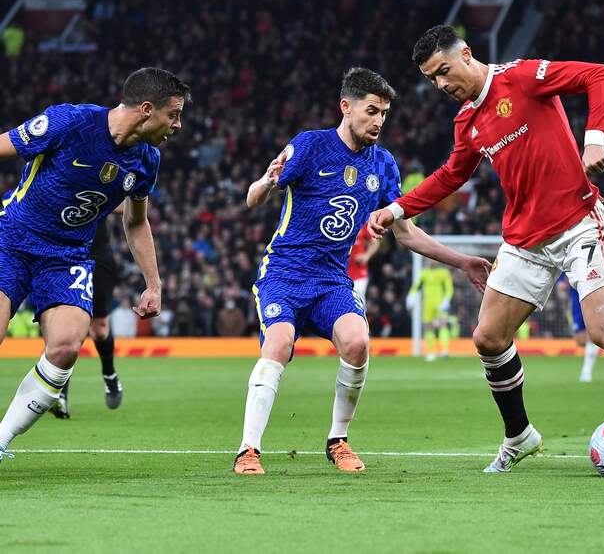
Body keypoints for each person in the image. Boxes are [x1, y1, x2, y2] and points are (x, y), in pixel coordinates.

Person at [368, 25, 604, 473]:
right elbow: (453, 175)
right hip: (523, 240)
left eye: (443, 71)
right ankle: (519, 435)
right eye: (431, 79)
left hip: (579, 225)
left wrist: (594, 136)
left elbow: (602, 75)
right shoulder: (467, 121)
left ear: (466, 55)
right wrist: (398, 209)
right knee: (488, 338)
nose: (440, 85)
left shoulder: (522, 77)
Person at [233, 67, 490, 475]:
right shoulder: (310, 146)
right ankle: (249, 449)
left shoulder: (383, 164)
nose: (378, 121)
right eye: (372, 111)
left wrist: (462, 261)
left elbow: (406, 233)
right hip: (284, 272)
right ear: (346, 107)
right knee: (279, 343)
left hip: (332, 278)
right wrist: (266, 181)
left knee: (357, 342)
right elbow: (252, 199)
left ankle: (338, 440)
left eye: (384, 114)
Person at [0, 67, 188, 461]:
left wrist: (153, 283)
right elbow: (4, 146)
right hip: (12, 240)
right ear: (146, 110)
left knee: (67, 347)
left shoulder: (146, 160)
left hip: (66, 256)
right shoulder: (70, 122)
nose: (177, 124)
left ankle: (0, 441)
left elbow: (135, 223)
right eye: (173, 114)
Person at [50, 216, 125, 418]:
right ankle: (60, 395)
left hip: (98, 254)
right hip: (64, 254)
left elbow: (127, 201)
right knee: (64, 327)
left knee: (99, 329)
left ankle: (109, 373)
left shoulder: (102, 183)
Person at [407, 263, 454, 361]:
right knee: (428, 327)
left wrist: (446, 300)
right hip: (427, 304)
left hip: (440, 303)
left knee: (443, 324)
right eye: (430, 259)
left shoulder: (443, 273)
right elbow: (416, 286)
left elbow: (449, 289)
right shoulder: (424, 273)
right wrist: (411, 296)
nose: (432, 261)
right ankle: (431, 352)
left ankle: (445, 350)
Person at [347, 224, 379, 305]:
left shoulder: (362, 220)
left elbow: (375, 242)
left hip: (358, 272)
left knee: (358, 303)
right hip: (340, 272)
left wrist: (366, 256)